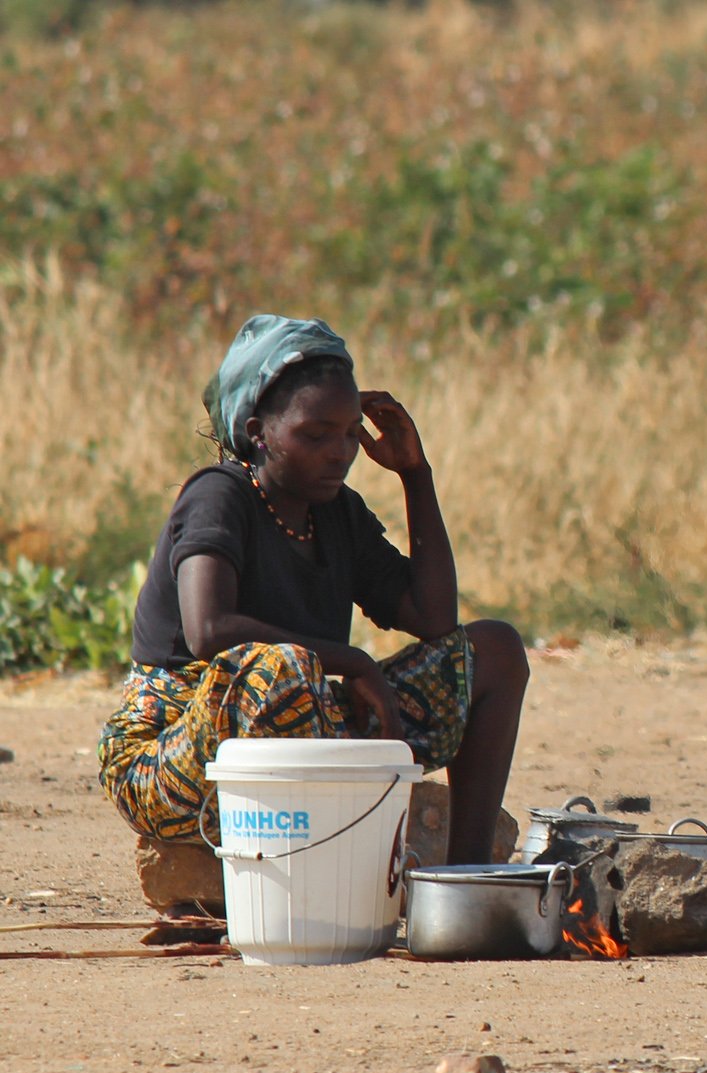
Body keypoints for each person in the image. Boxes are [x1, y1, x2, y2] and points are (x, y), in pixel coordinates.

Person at [97, 315, 529, 866]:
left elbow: (434, 619)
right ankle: (329, 868)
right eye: (316, 435)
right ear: (258, 432)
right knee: (286, 668)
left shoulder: (337, 513)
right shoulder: (218, 496)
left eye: (351, 433)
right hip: (173, 763)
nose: (340, 453)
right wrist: (353, 661)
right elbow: (209, 630)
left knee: (494, 649)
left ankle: (467, 879)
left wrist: (415, 475)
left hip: (304, 733)